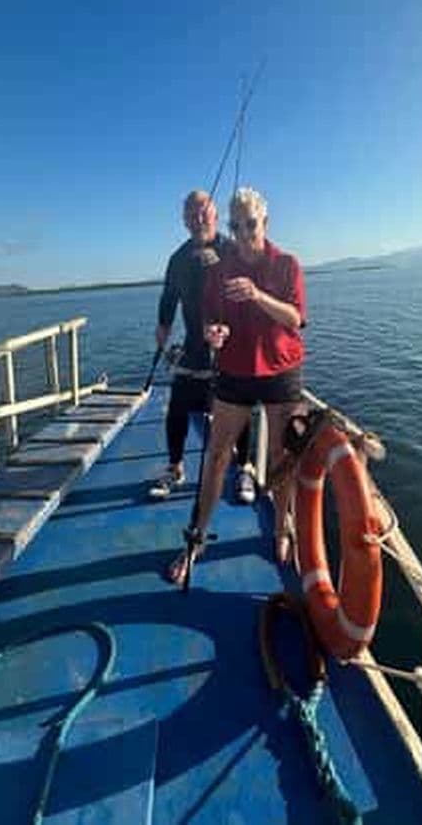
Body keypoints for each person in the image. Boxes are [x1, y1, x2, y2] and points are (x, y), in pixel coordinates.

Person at [168, 186, 306, 585]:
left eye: (251, 223)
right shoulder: (219, 269)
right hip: (234, 371)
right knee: (215, 457)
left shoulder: (287, 265)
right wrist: (215, 333)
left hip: (281, 370)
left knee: (282, 458)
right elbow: (213, 318)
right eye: (237, 225)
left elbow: (294, 319)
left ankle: (282, 528)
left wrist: (257, 294)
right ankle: (196, 539)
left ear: (265, 221)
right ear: (228, 226)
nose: (244, 232)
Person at [150, 190, 253, 500]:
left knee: (241, 408)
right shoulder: (178, 259)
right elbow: (169, 297)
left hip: (233, 344)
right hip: (195, 344)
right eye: (191, 214)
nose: (198, 219)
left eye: (203, 212)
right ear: (184, 220)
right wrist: (163, 325)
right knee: (178, 405)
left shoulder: (234, 250)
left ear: (216, 215)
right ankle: (175, 467)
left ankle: (245, 468)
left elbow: (251, 296)